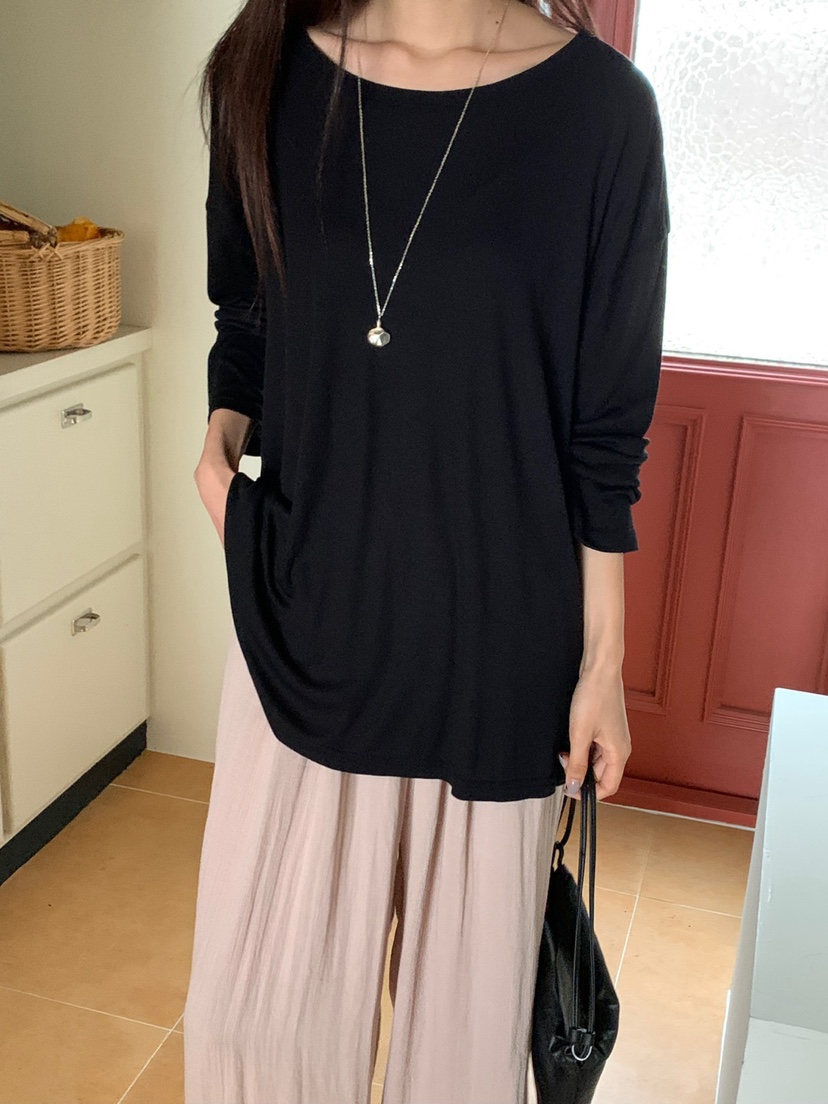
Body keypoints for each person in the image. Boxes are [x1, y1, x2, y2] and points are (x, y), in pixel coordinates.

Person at [184, 0, 670, 1101]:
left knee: (457, 1060)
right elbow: (246, 318)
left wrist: (603, 666)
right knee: (253, 1033)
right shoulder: (260, 73)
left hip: (499, 657)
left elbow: (604, 435)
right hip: (306, 623)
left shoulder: (603, 113)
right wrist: (219, 446)